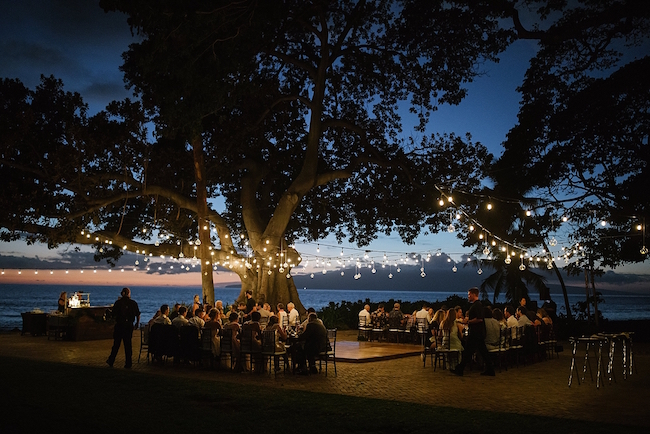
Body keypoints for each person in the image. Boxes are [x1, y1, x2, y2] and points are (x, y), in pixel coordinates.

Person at [452, 287, 494, 376]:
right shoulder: (477, 305)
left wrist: (468, 321)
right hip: (478, 333)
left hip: (476, 333)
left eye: (469, 294)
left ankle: (460, 368)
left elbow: (479, 319)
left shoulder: (477, 305)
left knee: (469, 351)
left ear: (474, 295)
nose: (468, 296)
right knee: (480, 351)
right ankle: (490, 369)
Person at [106, 287, 140, 369]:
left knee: (116, 344)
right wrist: (137, 324)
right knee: (128, 344)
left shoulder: (118, 303)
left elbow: (113, 314)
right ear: (128, 293)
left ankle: (111, 360)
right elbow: (138, 315)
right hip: (129, 326)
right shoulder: (133, 303)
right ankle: (128, 363)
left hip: (120, 325)